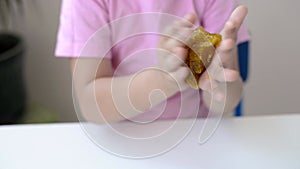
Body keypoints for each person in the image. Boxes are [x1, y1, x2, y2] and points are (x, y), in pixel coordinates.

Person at [55, 0, 250, 124]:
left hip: (196, 135)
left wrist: (219, 80)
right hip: (119, 139)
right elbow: (91, 104)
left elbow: (226, 104)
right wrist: (163, 80)